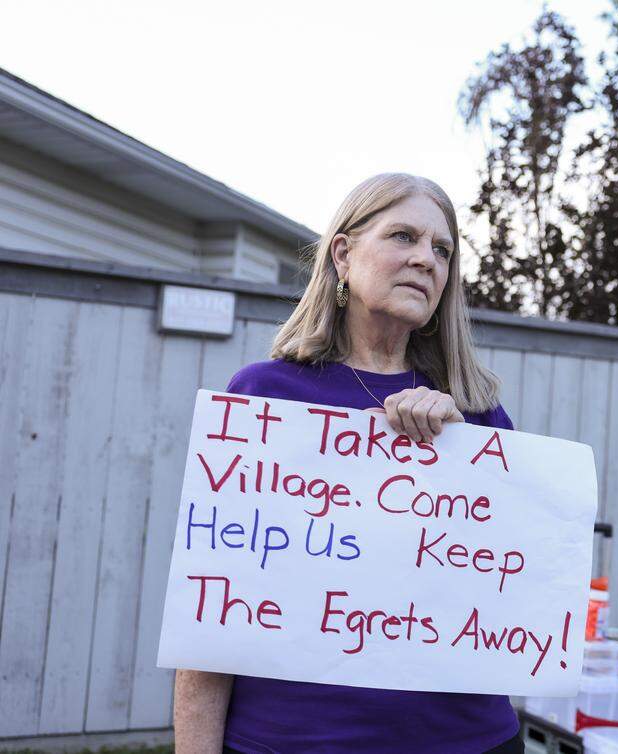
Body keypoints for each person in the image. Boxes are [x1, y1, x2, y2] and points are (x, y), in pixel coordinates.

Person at [174, 173, 522, 754]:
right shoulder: (265, 397)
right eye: (403, 236)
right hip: (292, 740)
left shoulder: (479, 415)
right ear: (343, 253)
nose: (425, 260)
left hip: (469, 742)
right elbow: (214, 607)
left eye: (442, 250)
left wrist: (459, 458)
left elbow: (516, 592)